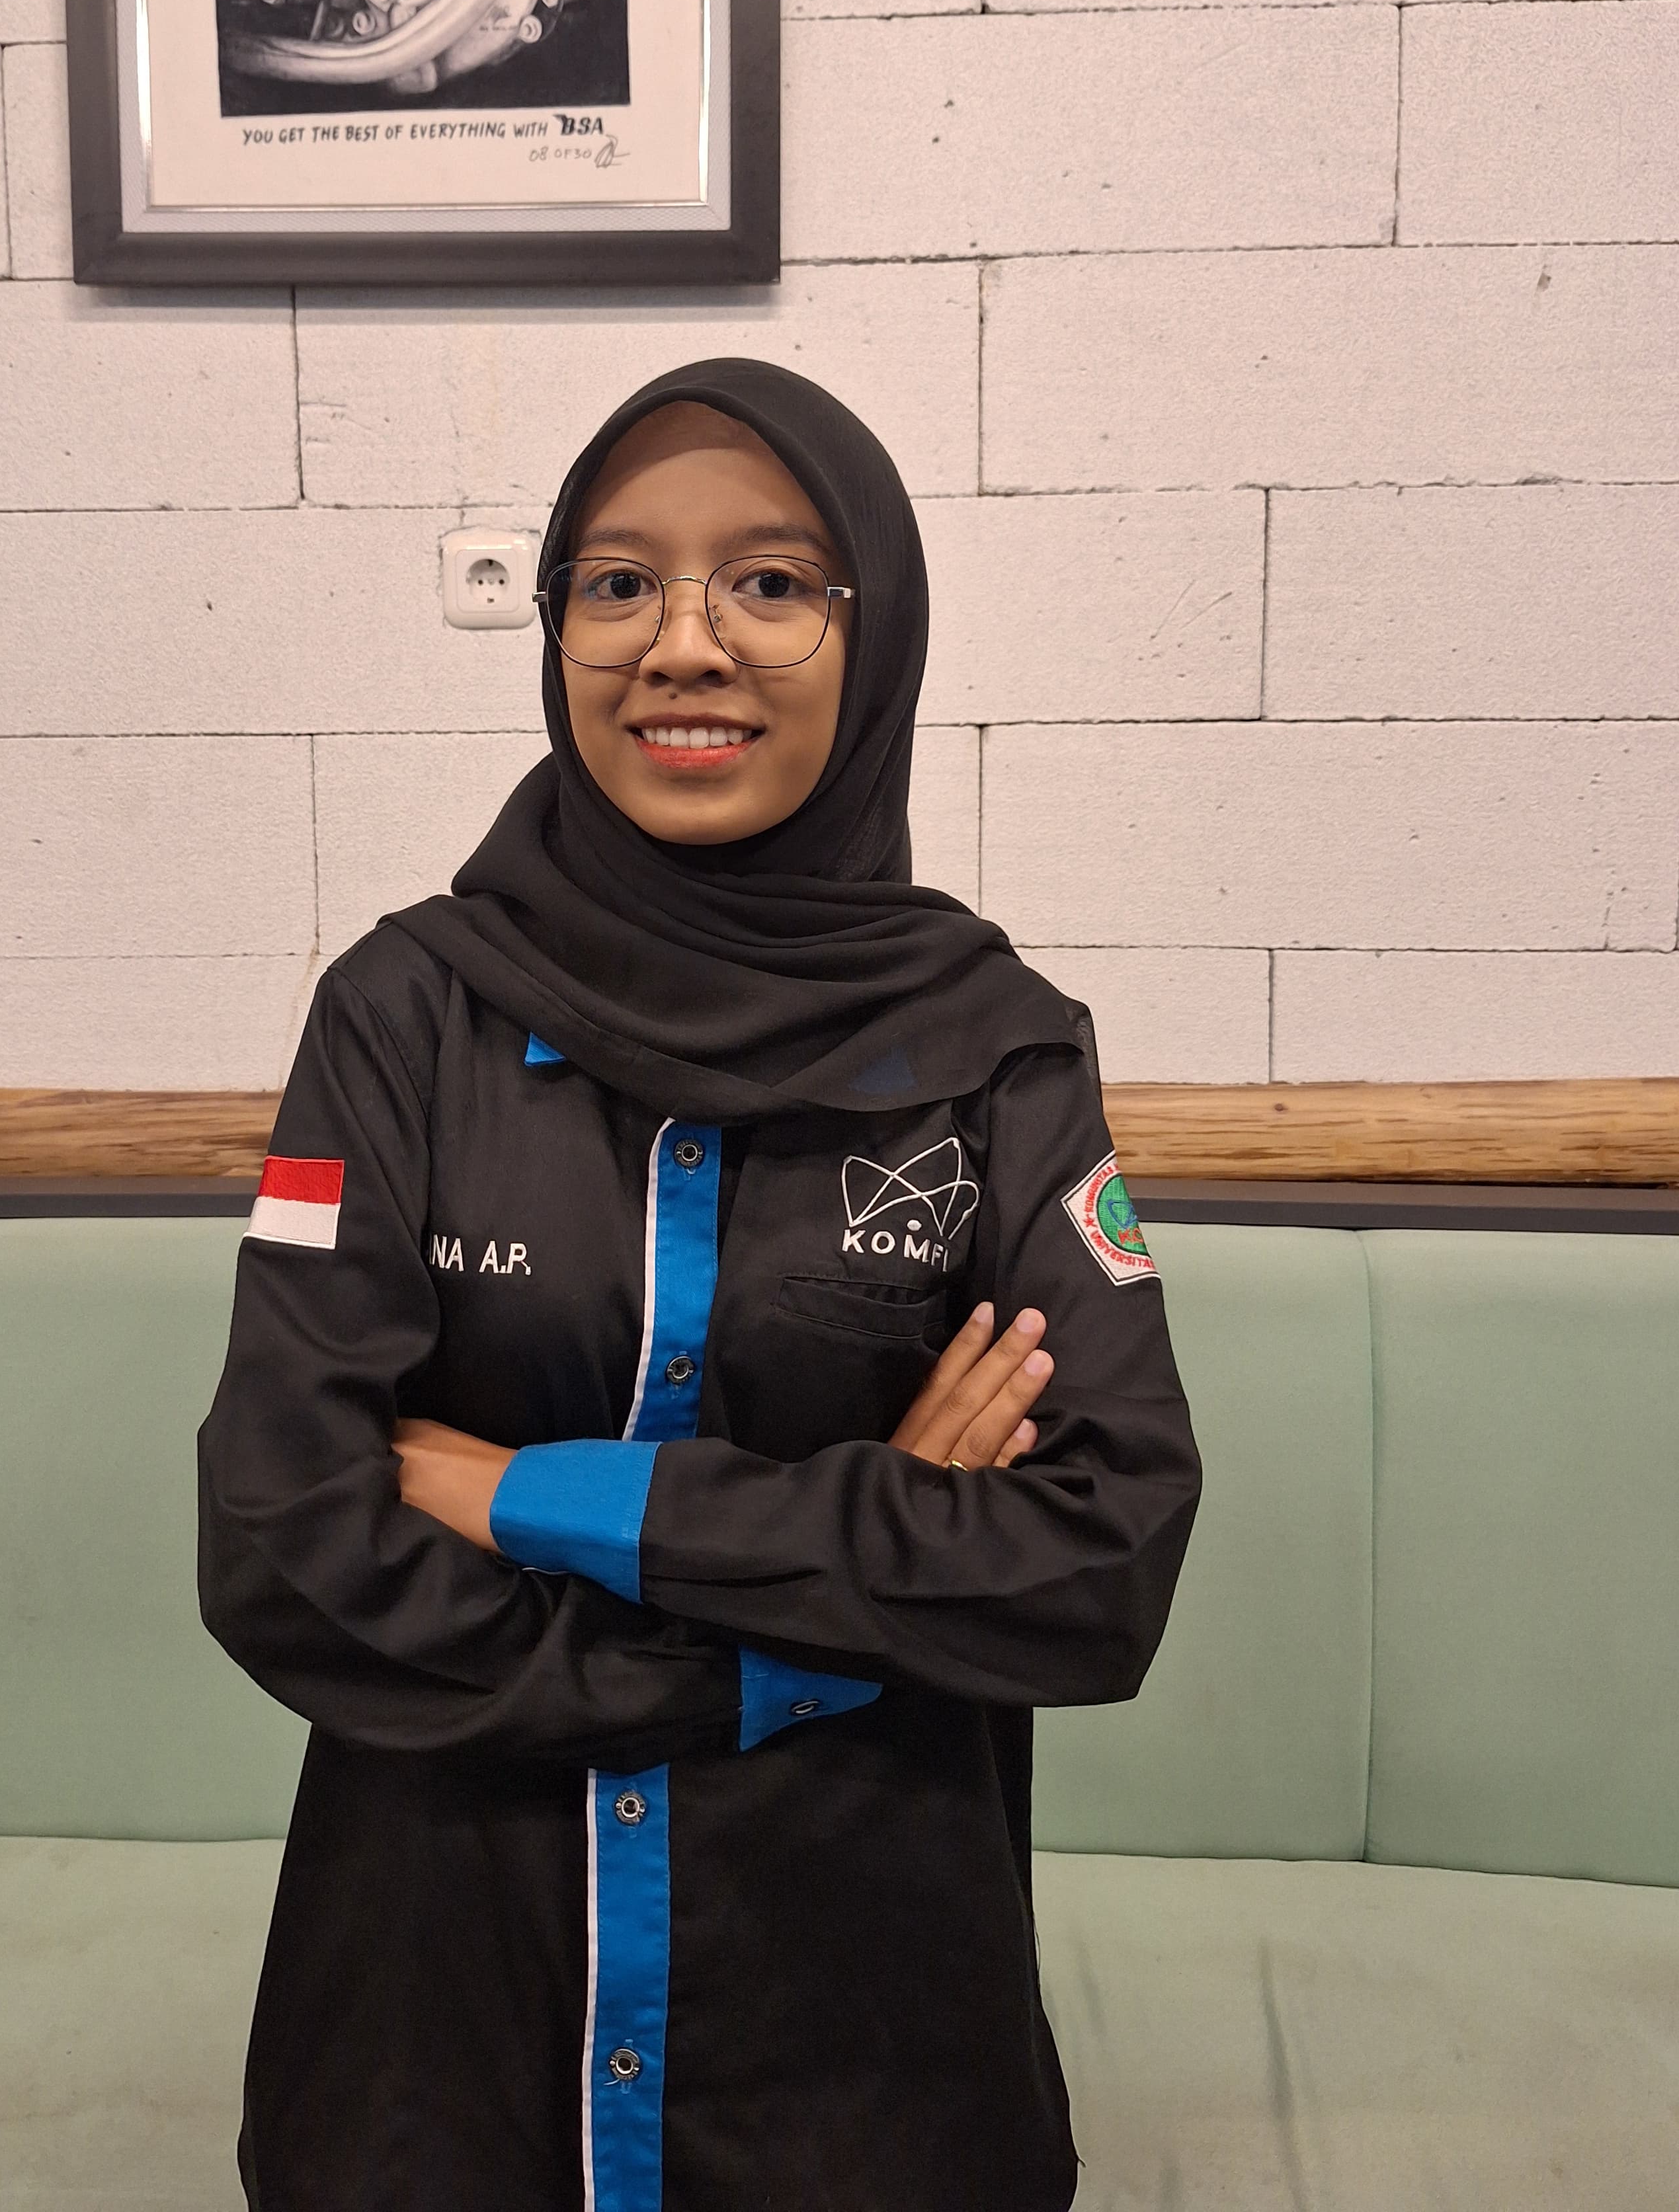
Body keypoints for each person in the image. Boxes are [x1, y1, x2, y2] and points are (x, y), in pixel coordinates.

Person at [198, 358, 1202, 2212]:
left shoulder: (993, 1057)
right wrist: (815, 1639)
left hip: (863, 2049)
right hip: (439, 2037)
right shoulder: (401, 1017)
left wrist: (528, 1495)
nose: (681, 644)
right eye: (614, 582)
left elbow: (1094, 1561)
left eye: (767, 581)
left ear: (872, 630)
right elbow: (285, 1545)